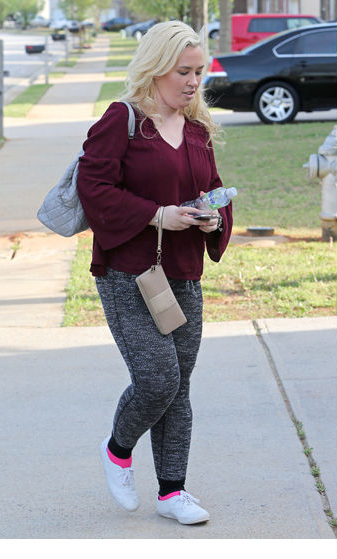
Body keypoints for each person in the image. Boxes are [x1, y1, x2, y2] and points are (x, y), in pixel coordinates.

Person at [77, 21, 233, 525]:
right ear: (156, 67)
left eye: (199, 72)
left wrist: (213, 218)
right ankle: (118, 449)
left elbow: (214, 190)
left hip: (183, 273)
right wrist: (157, 214)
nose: (193, 82)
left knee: (179, 385)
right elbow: (94, 190)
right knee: (157, 378)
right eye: (183, 71)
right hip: (128, 274)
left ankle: (172, 492)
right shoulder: (122, 120)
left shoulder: (198, 130)